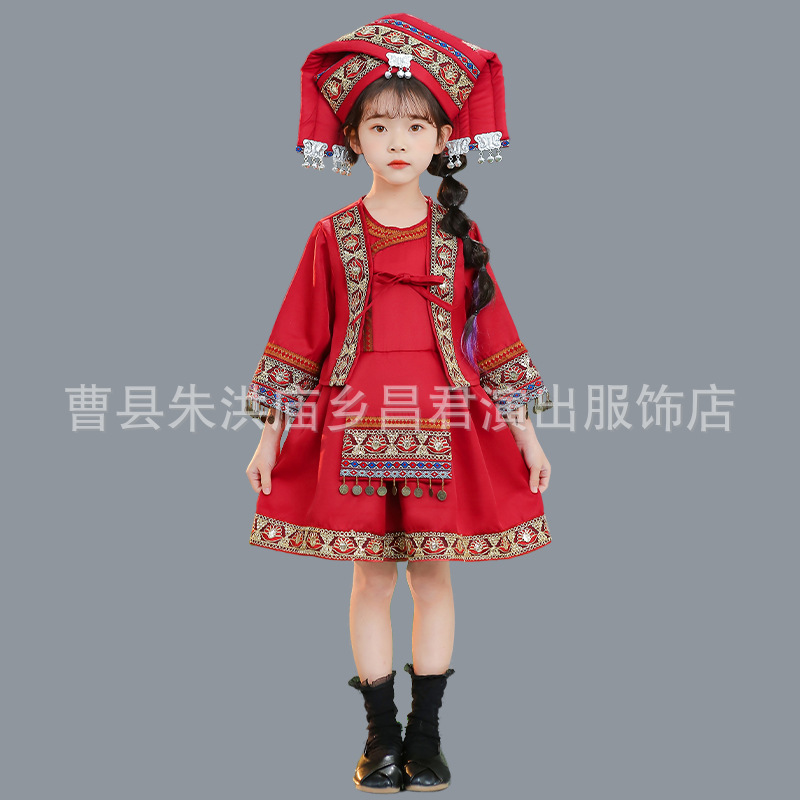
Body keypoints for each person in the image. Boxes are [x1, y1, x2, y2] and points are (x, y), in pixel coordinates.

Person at [243, 13, 554, 793]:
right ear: (353, 139)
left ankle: (428, 736)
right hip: (353, 420)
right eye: (378, 126)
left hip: (444, 420)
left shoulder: (459, 236)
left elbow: (495, 339)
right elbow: (298, 339)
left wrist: (528, 436)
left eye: (415, 127)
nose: (397, 142)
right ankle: (379, 738)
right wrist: (268, 438)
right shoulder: (332, 234)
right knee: (372, 579)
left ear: (442, 137)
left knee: (434, 576)